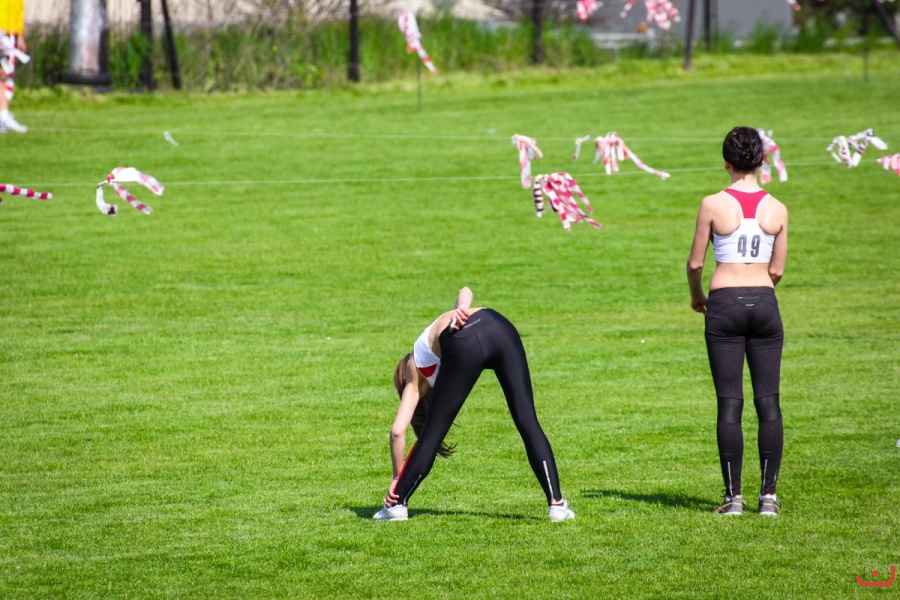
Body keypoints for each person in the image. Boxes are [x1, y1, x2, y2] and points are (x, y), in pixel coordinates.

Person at [374, 287, 575, 522]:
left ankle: (396, 505)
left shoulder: (413, 375)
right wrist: (462, 308)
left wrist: (397, 478)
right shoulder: (433, 339)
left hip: (465, 343)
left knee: (432, 434)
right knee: (527, 421)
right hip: (499, 326)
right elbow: (465, 289)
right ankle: (557, 505)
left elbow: (397, 431)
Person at [686, 126, 788, 517]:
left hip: (724, 303)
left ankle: (733, 498)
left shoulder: (712, 204)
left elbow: (695, 263)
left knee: (730, 402)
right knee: (769, 402)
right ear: (761, 161)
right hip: (764, 303)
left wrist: (697, 295)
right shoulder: (777, 208)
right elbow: (776, 270)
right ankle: (769, 498)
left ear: (726, 163)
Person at [0, 0, 27, 133]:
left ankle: (3, 116)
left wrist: (19, 36)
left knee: (3, 75)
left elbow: (18, 13)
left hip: (7, 36)